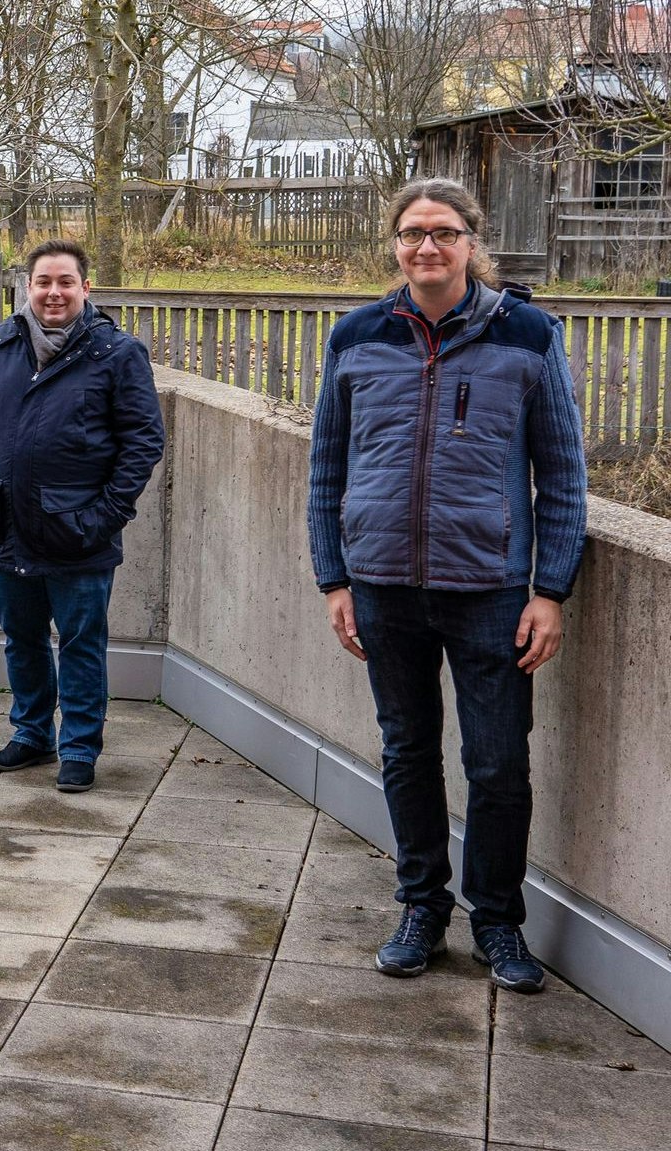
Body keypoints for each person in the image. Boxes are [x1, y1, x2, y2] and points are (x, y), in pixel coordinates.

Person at [308, 178, 587, 994]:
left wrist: (550, 590)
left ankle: (497, 922)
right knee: (407, 751)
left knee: (498, 764)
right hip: (383, 584)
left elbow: (563, 476)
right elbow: (327, 468)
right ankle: (421, 906)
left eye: (443, 232)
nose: (426, 247)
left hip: (494, 589)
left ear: (472, 240)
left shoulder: (529, 336)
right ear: (394, 245)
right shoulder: (356, 336)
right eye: (411, 233)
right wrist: (335, 577)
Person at [0, 239, 165, 793]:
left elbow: (143, 442)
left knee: (81, 643)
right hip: (5, 526)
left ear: (85, 288)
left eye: (65, 282)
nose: (53, 292)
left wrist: (105, 516)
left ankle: (79, 748)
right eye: (43, 281)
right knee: (21, 639)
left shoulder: (117, 353)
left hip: (80, 534)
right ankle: (32, 734)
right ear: (27, 286)